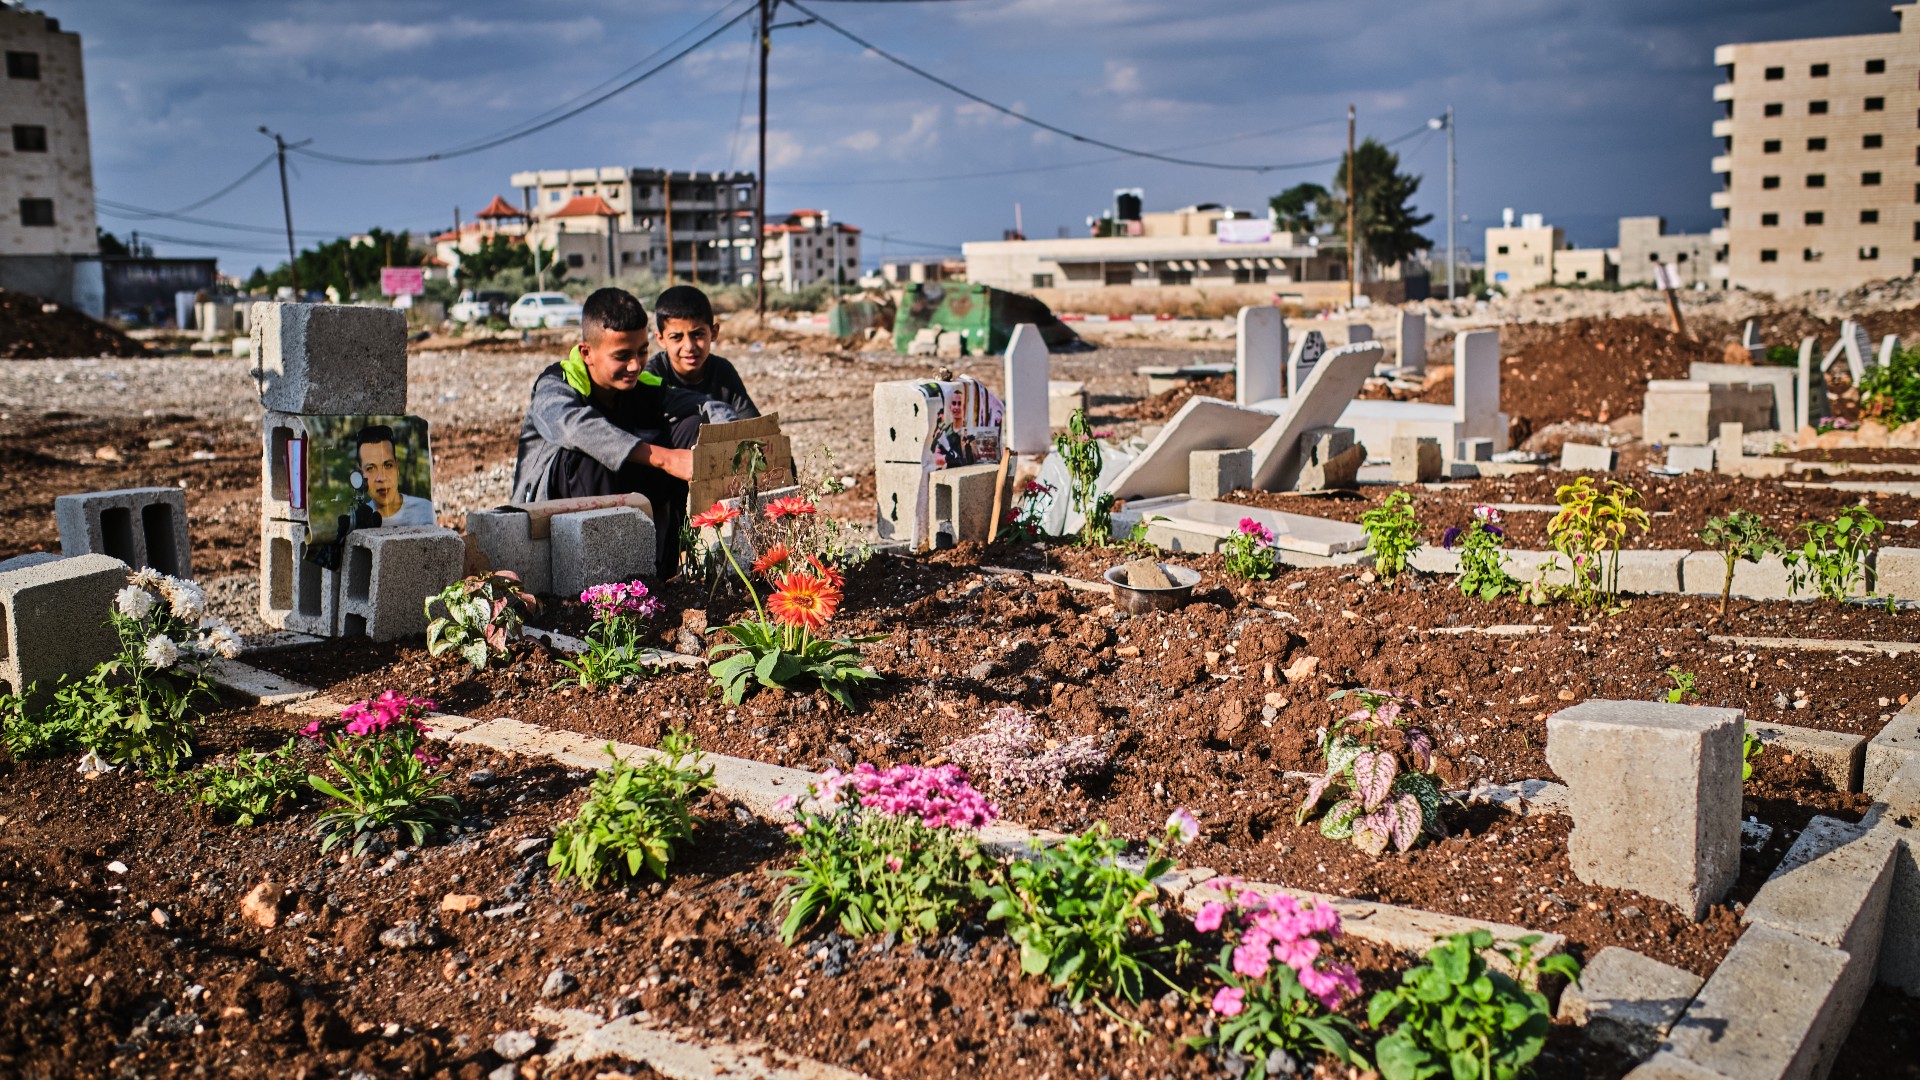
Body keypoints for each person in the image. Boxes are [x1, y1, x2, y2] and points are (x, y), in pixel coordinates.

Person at [514, 288, 737, 574]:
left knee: (692, 428)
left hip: (620, 498)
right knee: (589, 453)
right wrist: (665, 458)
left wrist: (731, 440)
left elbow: (704, 405)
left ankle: (671, 565)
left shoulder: (641, 385)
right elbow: (577, 429)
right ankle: (603, 583)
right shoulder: (556, 386)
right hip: (552, 525)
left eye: (642, 351)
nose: (634, 365)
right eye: (622, 356)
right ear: (587, 353)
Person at [644, 285, 760, 428]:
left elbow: (753, 426)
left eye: (697, 334)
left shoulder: (722, 371)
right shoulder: (653, 375)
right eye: (676, 337)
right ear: (661, 339)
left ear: (714, 332)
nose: (689, 347)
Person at [355, 424, 436, 527]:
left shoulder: (425, 510)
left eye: (388, 465)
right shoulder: (357, 521)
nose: (381, 478)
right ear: (360, 474)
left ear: (397, 467)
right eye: (371, 468)